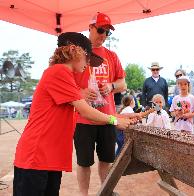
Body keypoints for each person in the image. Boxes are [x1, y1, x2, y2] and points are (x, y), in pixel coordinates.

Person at [13, 32, 131, 196]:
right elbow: (85, 110)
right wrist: (113, 120)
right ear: (74, 50)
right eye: (87, 57)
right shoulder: (59, 71)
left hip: (48, 158)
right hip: (36, 158)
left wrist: (121, 117)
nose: (88, 63)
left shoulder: (64, 74)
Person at [73, 12, 128, 195]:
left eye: (107, 32)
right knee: (84, 162)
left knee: (106, 160)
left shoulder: (111, 55)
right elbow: (65, 83)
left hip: (107, 118)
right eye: (101, 30)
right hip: (83, 119)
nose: (103, 35)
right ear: (90, 28)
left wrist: (111, 86)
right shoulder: (77, 53)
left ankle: (105, 192)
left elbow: (123, 83)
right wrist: (80, 92)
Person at [173, 69, 194, 135]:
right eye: (177, 76)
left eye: (180, 75)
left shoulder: (192, 82)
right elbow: (174, 108)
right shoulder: (176, 88)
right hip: (180, 118)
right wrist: (176, 112)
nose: (179, 76)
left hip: (192, 107)